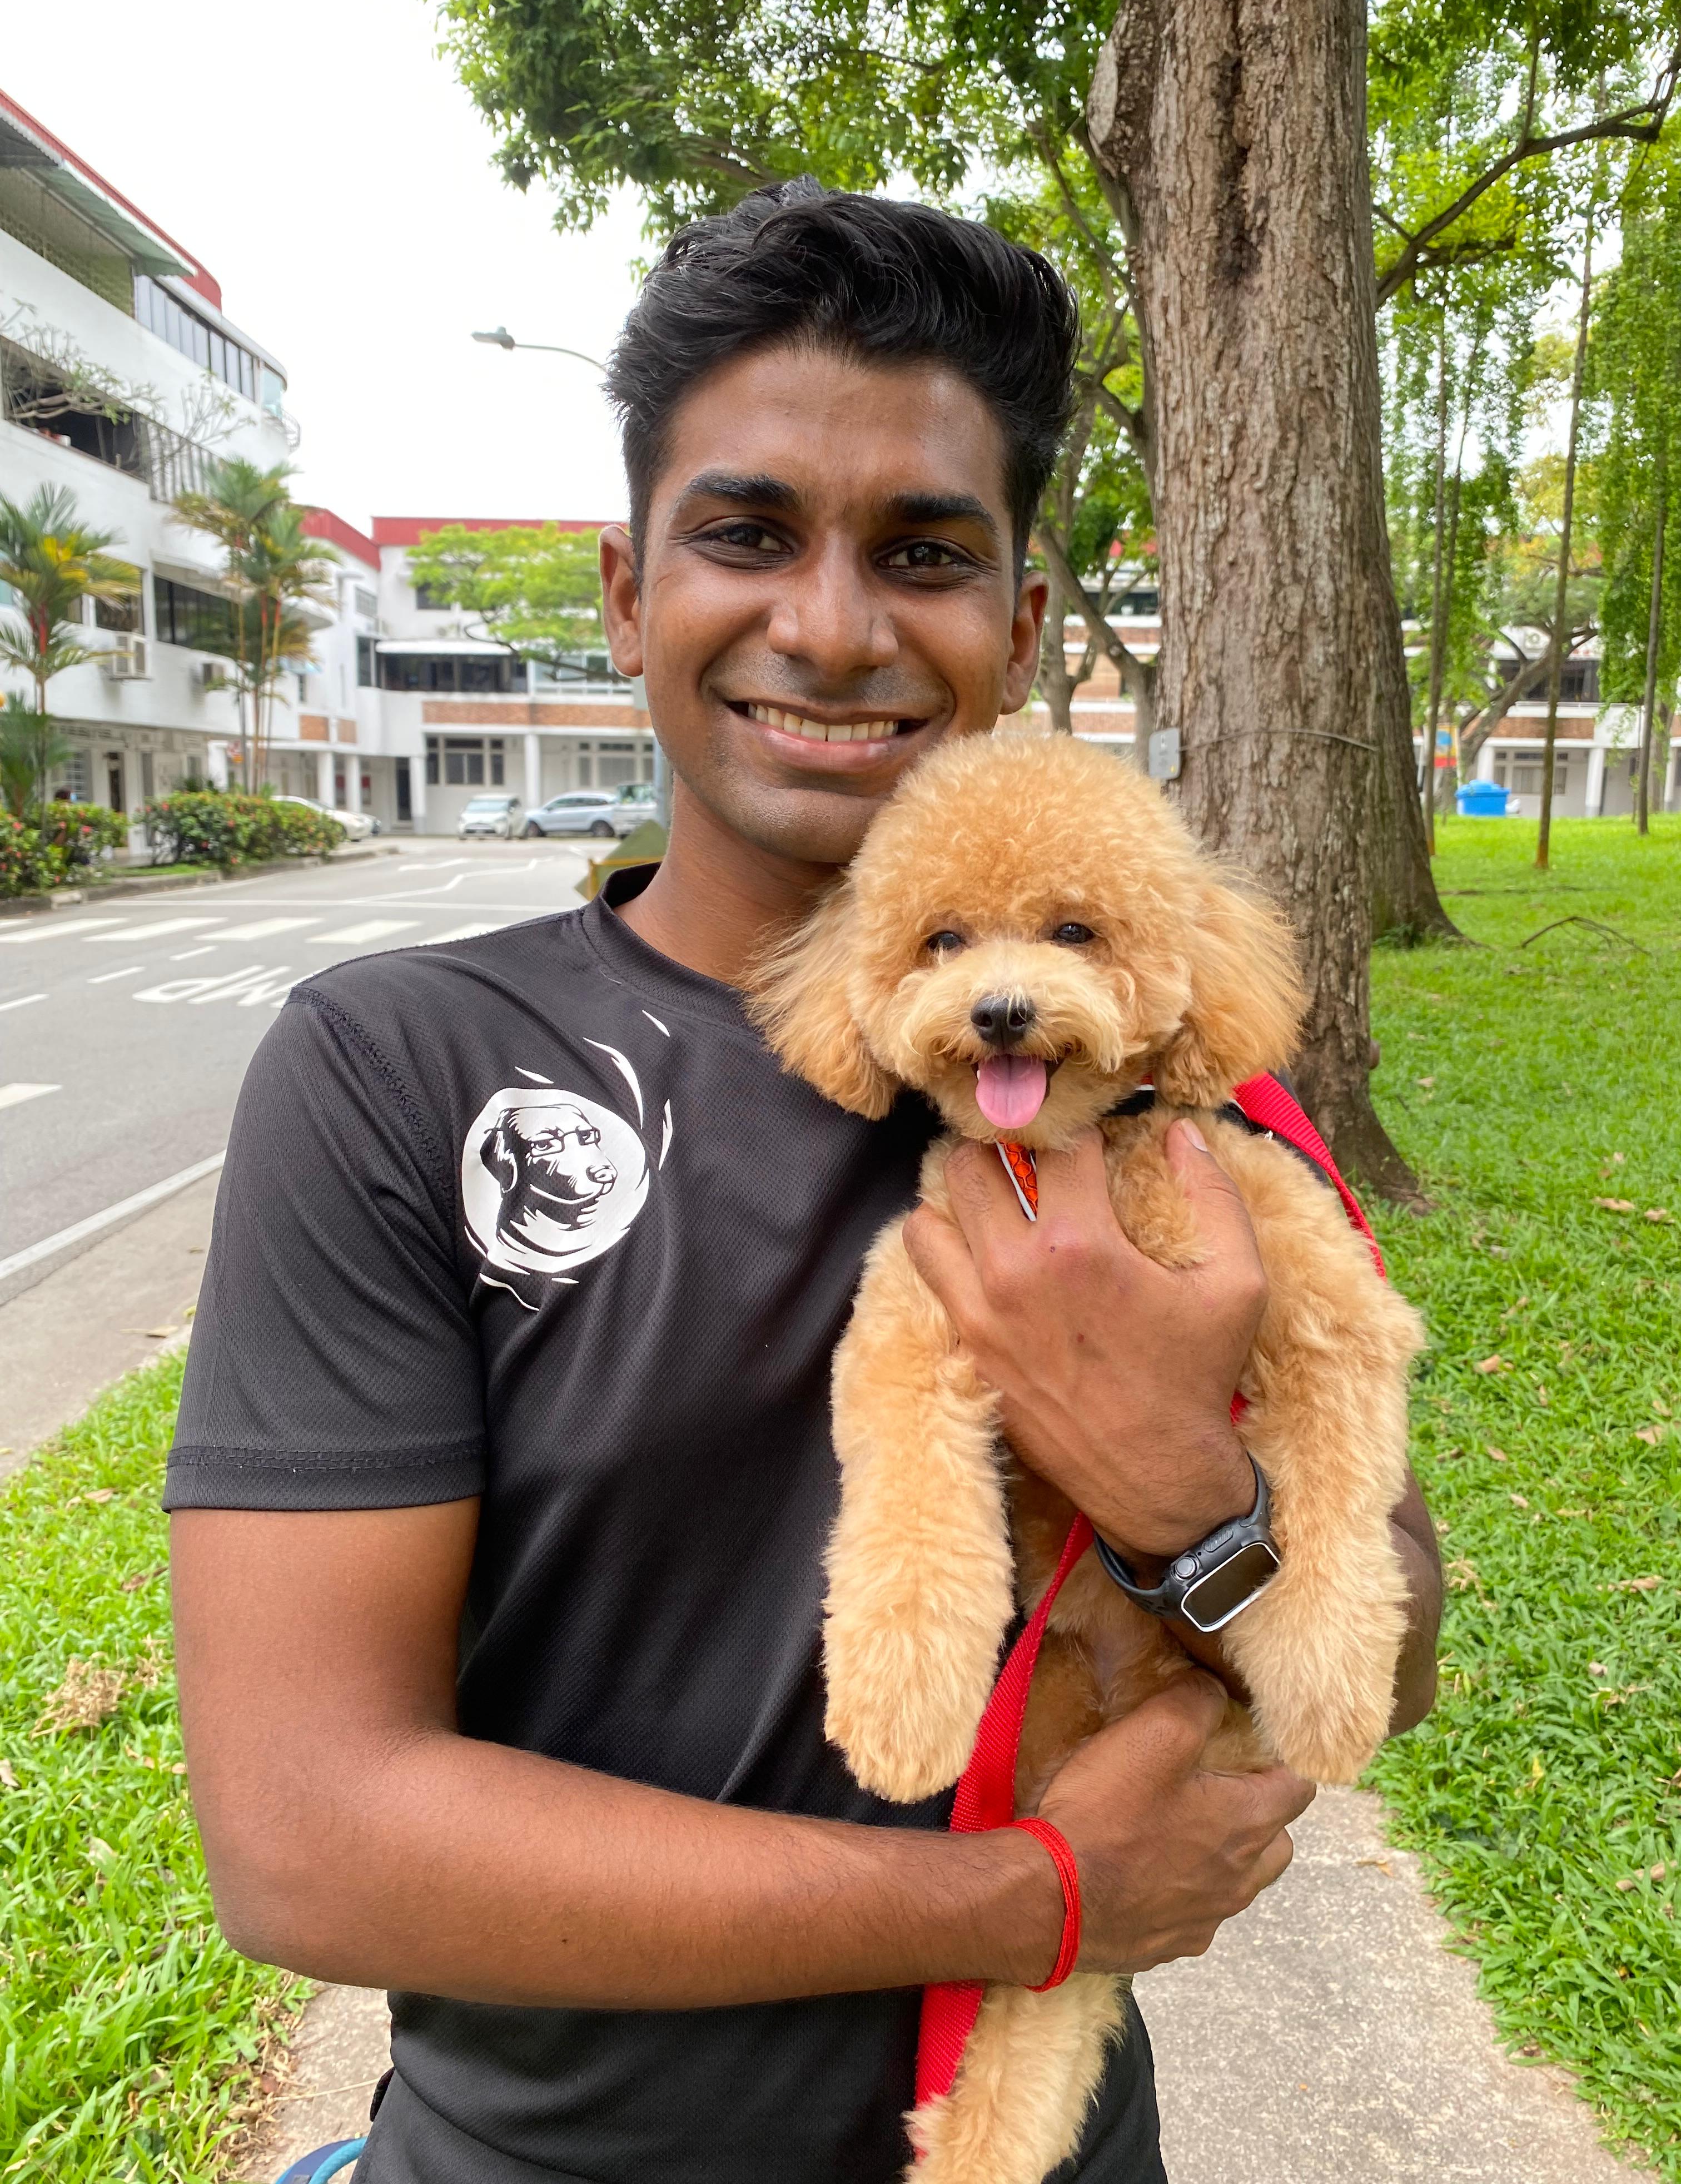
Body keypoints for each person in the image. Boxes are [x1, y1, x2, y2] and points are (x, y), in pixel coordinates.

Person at [168, 183, 1441, 2184]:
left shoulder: (1177, 1102)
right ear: (625, 590)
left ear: (1020, 629)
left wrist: (1182, 1481)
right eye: (748, 533)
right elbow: (309, 1839)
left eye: (924, 554)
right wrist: (1027, 1899)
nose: (833, 626)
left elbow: (1400, 1644)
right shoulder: (396, 1070)